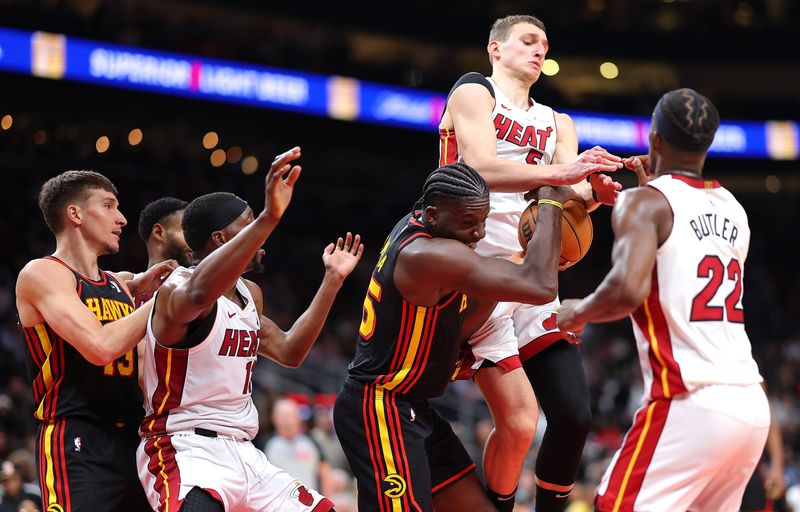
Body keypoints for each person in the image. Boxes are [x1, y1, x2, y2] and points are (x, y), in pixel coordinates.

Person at [438, 14, 623, 511]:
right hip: (476, 268)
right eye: (528, 40)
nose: (539, 49)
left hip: (534, 275)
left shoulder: (558, 121)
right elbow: (476, 166)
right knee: (519, 425)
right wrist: (568, 172)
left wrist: (594, 194)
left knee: (572, 416)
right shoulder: (474, 92)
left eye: (544, 43)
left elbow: (564, 195)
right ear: (495, 48)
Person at [557, 88, 770, 511]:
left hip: (690, 400)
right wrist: (651, 189)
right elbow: (683, 246)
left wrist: (575, 312)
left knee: (611, 506)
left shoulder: (643, 203)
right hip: (750, 406)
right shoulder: (734, 208)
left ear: (654, 138)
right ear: (706, 146)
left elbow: (627, 289)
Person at [333, 162, 575, 512]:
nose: (478, 233)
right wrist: (551, 199)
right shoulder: (426, 255)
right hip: (380, 408)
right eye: (468, 223)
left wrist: (504, 273)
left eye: (483, 221)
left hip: (414, 407)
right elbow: (540, 286)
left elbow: (464, 319)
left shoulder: (426, 229)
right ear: (433, 215)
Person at [136, 146, 363, 511]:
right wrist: (270, 217)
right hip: (184, 450)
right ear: (221, 239)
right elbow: (199, 293)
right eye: (249, 221)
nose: (261, 234)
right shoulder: (176, 290)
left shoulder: (249, 294)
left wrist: (332, 281)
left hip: (245, 453)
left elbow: (290, 351)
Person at [15, 170, 176, 511]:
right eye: (108, 206)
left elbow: (118, 290)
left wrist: (148, 287)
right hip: (77, 439)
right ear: (75, 214)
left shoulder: (118, 283)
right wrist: (167, 300)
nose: (122, 218)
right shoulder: (42, 273)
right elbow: (100, 346)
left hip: (134, 437)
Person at [264, 398, 333, 497]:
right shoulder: (265, 444)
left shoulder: (311, 442)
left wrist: (327, 500)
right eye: (282, 416)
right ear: (273, 418)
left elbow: (325, 470)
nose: (286, 419)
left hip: (309, 504)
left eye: (289, 415)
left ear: (298, 417)